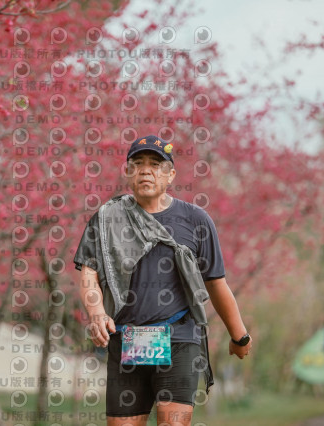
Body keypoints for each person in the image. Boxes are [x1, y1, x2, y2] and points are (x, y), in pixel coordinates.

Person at [73, 135, 252, 426]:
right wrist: (96, 313)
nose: (146, 170)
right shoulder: (107, 219)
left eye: (155, 165)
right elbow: (89, 272)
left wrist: (239, 336)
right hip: (127, 339)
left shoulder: (195, 220)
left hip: (179, 337)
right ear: (127, 172)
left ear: (171, 175)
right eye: (138, 164)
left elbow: (215, 283)